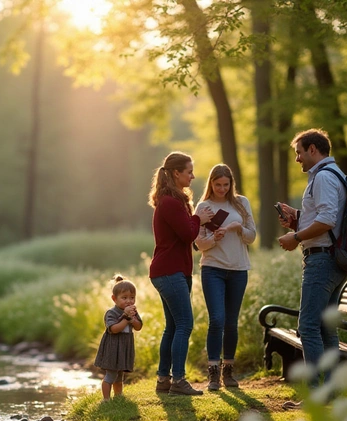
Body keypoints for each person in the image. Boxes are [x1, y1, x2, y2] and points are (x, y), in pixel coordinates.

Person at [277, 128, 347, 401]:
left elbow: (329, 219)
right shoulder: (333, 175)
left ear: (313, 150)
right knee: (324, 328)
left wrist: (295, 236)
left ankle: (316, 394)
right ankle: (330, 391)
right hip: (330, 258)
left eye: (299, 152)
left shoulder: (323, 177)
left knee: (307, 325)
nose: (297, 159)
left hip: (322, 260)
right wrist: (297, 218)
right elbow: (327, 218)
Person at [148, 152, 214, 396]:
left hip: (171, 271)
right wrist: (199, 218)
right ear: (176, 173)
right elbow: (188, 234)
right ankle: (178, 381)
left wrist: (197, 220)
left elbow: (185, 234)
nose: (193, 176)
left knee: (173, 326)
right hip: (169, 271)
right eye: (189, 171)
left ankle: (164, 380)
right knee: (184, 324)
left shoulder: (173, 200)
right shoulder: (170, 202)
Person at [195, 164, 256, 391]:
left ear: (231, 184)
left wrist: (239, 229)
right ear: (211, 183)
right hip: (213, 268)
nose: (221, 188)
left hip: (239, 269)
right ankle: (213, 373)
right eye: (217, 184)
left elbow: (251, 237)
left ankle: (229, 370)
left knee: (231, 321)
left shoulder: (241, 203)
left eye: (226, 184)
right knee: (217, 320)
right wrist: (215, 238)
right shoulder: (204, 207)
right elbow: (199, 244)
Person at [94, 275, 143, 401]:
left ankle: (118, 397)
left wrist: (133, 319)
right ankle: (106, 399)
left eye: (132, 298)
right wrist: (126, 318)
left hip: (125, 347)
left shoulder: (133, 312)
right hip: (113, 348)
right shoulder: (111, 313)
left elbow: (138, 327)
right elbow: (114, 329)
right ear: (114, 299)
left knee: (119, 375)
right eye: (124, 298)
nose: (129, 301)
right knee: (110, 375)